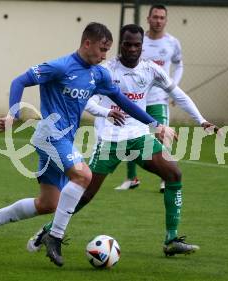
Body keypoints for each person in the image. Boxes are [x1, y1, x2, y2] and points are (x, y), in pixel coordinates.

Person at [0, 22, 173, 267]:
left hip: (64, 140)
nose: (104, 56)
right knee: (83, 175)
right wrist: (13, 113)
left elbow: (121, 100)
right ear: (87, 43)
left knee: (47, 204)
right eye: (102, 49)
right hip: (50, 135)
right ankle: (54, 237)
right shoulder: (60, 67)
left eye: (107, 50)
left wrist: (155, 124)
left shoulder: (98, 73)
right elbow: (19, 81)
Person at [27, 24, 217, 257]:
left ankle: (171, 239)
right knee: (84, 195)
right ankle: (47, 232)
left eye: (137, 44)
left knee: (173, 174)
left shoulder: (151, 70)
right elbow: (86, 101)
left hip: (138, 137)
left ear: (142, 46)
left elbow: (177, 94)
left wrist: (201, 120)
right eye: (127, 44)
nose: (132, 48)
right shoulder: (105, 70)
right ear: (121, 44)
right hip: (110, 140)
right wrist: (106, 113)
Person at [117, 4, 184, 193]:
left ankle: (165, 178)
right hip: (136, 100)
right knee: (129, 136)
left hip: (158, 100)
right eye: (155, 17)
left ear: (166, 20)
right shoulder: (138, 40)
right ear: (148, 18)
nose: (158, 21)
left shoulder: (172, 43)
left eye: (162, 17)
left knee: (162, 136)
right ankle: (131, 178)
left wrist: (173, 88)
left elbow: (179, 65)